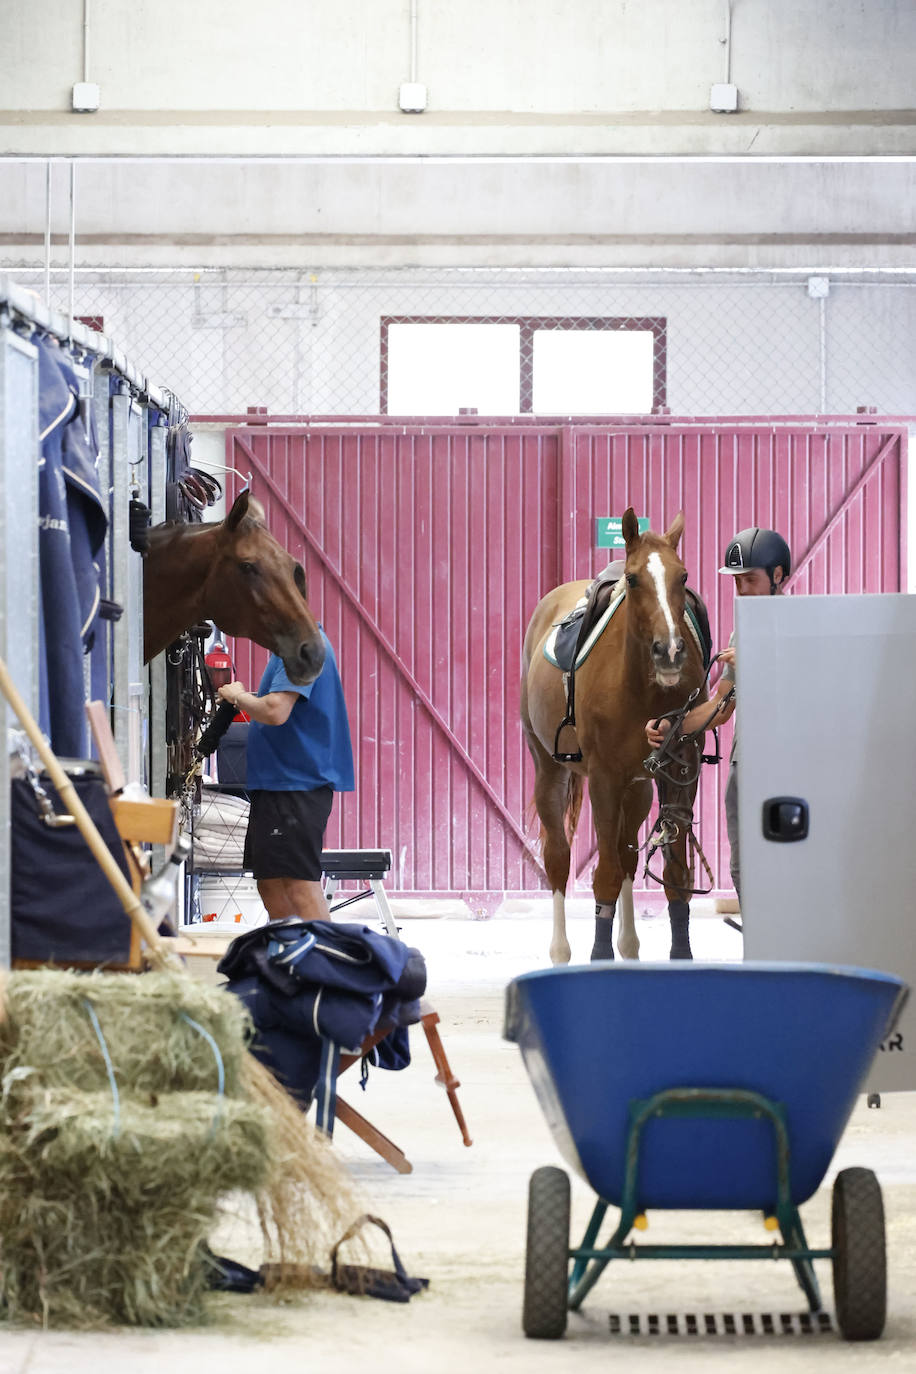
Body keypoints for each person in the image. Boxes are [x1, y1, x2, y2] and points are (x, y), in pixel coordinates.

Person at [645, 526, 792, 904]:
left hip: (791, 765)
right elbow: (721, 708)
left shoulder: (804, 627)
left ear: (777, 575)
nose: (742, 590)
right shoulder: (740, 635)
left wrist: (757, 662)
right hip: (745, 763)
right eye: (737, 582)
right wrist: (672, 728)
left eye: (750, 580)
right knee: (743, 866)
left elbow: (813, 691)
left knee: (788, 863)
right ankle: (756, 935)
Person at [217, 627, 355, 923]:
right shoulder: (292, 646)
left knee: (298, 885)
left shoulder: (300, 645)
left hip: (294, 785)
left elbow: (275, 711)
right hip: (278, 784)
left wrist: (238, 696)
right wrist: (245, 697)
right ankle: (289, 949)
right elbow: (281, 704)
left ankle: (322, 951)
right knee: (272, 884)